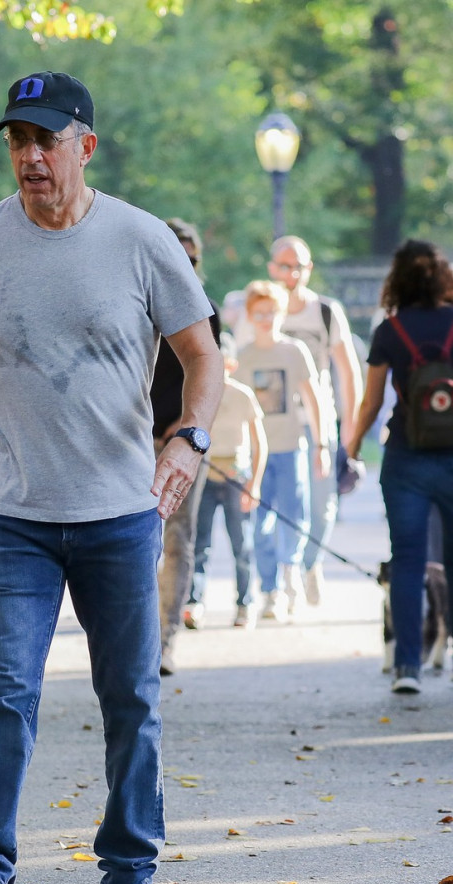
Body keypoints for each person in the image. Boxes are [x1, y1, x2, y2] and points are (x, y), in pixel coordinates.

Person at [0, 71, 223, 884]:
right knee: (2, 694)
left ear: (85, 145)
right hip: (11, 518)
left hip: (120, 515)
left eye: (47, 140)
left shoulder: (140, 239)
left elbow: (203, 356)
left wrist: (189, 441)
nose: (30, 156)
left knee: (131, 700)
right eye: (17, 141)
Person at [346, 238, 453, 693]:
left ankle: (407, 666)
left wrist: (350, 447)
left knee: (408, 561)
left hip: (406, 456)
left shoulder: (390, 330)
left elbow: (371, 402)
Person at [267, 236, 362, 605]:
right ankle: (278, 577)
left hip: (317, 421)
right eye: (284, 265)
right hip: (272, 424)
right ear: (271, 267)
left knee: (323, 505)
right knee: (277, 504)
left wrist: (351, 431)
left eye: (300, 265)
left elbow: (348, 372)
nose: (292, 273)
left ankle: (309, 564)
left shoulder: (325, 311)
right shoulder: (258, 306)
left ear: (309, 269)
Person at [234, 280, 329, 621]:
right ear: (249, 315)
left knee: (295, 517)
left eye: (271, 311)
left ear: (281, 313)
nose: (265, 319)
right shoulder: (243, 357)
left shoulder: (294, 351)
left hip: (291, 448)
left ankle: (292, 575)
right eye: (258, 313)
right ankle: (269, 589)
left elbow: (313, 398)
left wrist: (321, 444)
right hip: (256, 454)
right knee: (259, 524)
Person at [150, 220, 221, 674]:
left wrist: (182, 431)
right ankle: (134, 638)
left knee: (177, 540)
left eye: (192, 259)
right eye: (177, 256)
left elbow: (212, 375)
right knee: (128, 543)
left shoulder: (205, 309)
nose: (185, 266)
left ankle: (164, 641)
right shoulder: (135, 301)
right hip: (129, 438)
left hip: (185, 439)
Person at [185, 335, 268, 637]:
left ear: (231, 365)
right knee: (199, 544)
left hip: (237, 475)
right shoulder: (196, 394)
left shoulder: (243, 395)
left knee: (241, 545)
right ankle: (194, 602)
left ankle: (245, 604)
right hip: (205, 475)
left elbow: (261, 443)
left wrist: (254, 484)